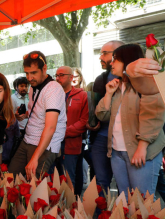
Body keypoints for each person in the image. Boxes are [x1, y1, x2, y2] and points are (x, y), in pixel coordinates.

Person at [95, 44, 165, 198]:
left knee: (142, 203)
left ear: (128, 61)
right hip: (117, 152)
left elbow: (153, 114)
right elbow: (102, 115)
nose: (111, 63)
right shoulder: (118, 85)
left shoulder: (146, 84)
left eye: (115, 59)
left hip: (141, 152)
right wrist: (108, 94)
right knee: (125, 202)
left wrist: (142, 145)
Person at [8, 51, 67, 179]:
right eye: (27, 73)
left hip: (45, 145)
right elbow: (38, 112)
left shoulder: (53, 89)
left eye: (33, 73)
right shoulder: (33, 87)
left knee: (35, 188)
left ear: (44, 68)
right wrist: (23, 115)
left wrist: (35, 158)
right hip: (28, 139)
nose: (29, 78)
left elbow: (51, 127)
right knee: (10, 178)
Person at [89, 40, 124, 193]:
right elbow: (97, 112)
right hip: (102, 138)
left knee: (128, 187)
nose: (100, 57)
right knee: (100, 183)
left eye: (104, 53)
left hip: (126, 140)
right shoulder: (101, 79)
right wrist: (91, 122)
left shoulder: (137, 80)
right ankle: (100, 217)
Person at [54, 66, 88, 195]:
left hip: (71, 144)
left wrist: (64, 132)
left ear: (71, 77)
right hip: (52, 144)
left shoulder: (82, 95)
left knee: (69, 179)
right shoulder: (52, 95)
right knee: (54, 179)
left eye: (61, 75)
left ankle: (71, 210)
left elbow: (84, 121)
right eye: (56, 75)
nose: (58, 78)